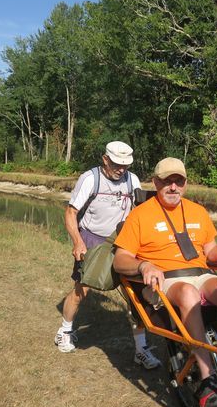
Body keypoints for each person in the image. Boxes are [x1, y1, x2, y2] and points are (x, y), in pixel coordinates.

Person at [113, 157, 217, 407]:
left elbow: (210, 247)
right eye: (167, 182)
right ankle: (207, 376)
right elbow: (120, 259)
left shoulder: (197, 211)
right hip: (164, 279)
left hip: (200, 272)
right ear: (156, 183)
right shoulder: (140, 215)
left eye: (178, 181)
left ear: (186, 184)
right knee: (188, 293)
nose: (173, 187)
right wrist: (143, 265)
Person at [54, 141, 160, 370]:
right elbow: (71, 213)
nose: (121, 169)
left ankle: (141, 349)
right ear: (105, 159)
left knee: (136, 295)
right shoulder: (91, 179)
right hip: (93, 238)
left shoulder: (131, 180)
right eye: (116, 164)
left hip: (124, 241)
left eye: (125, 165)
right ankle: (65, 331)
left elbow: (140, 211)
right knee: (82, 289)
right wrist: (78, 241)